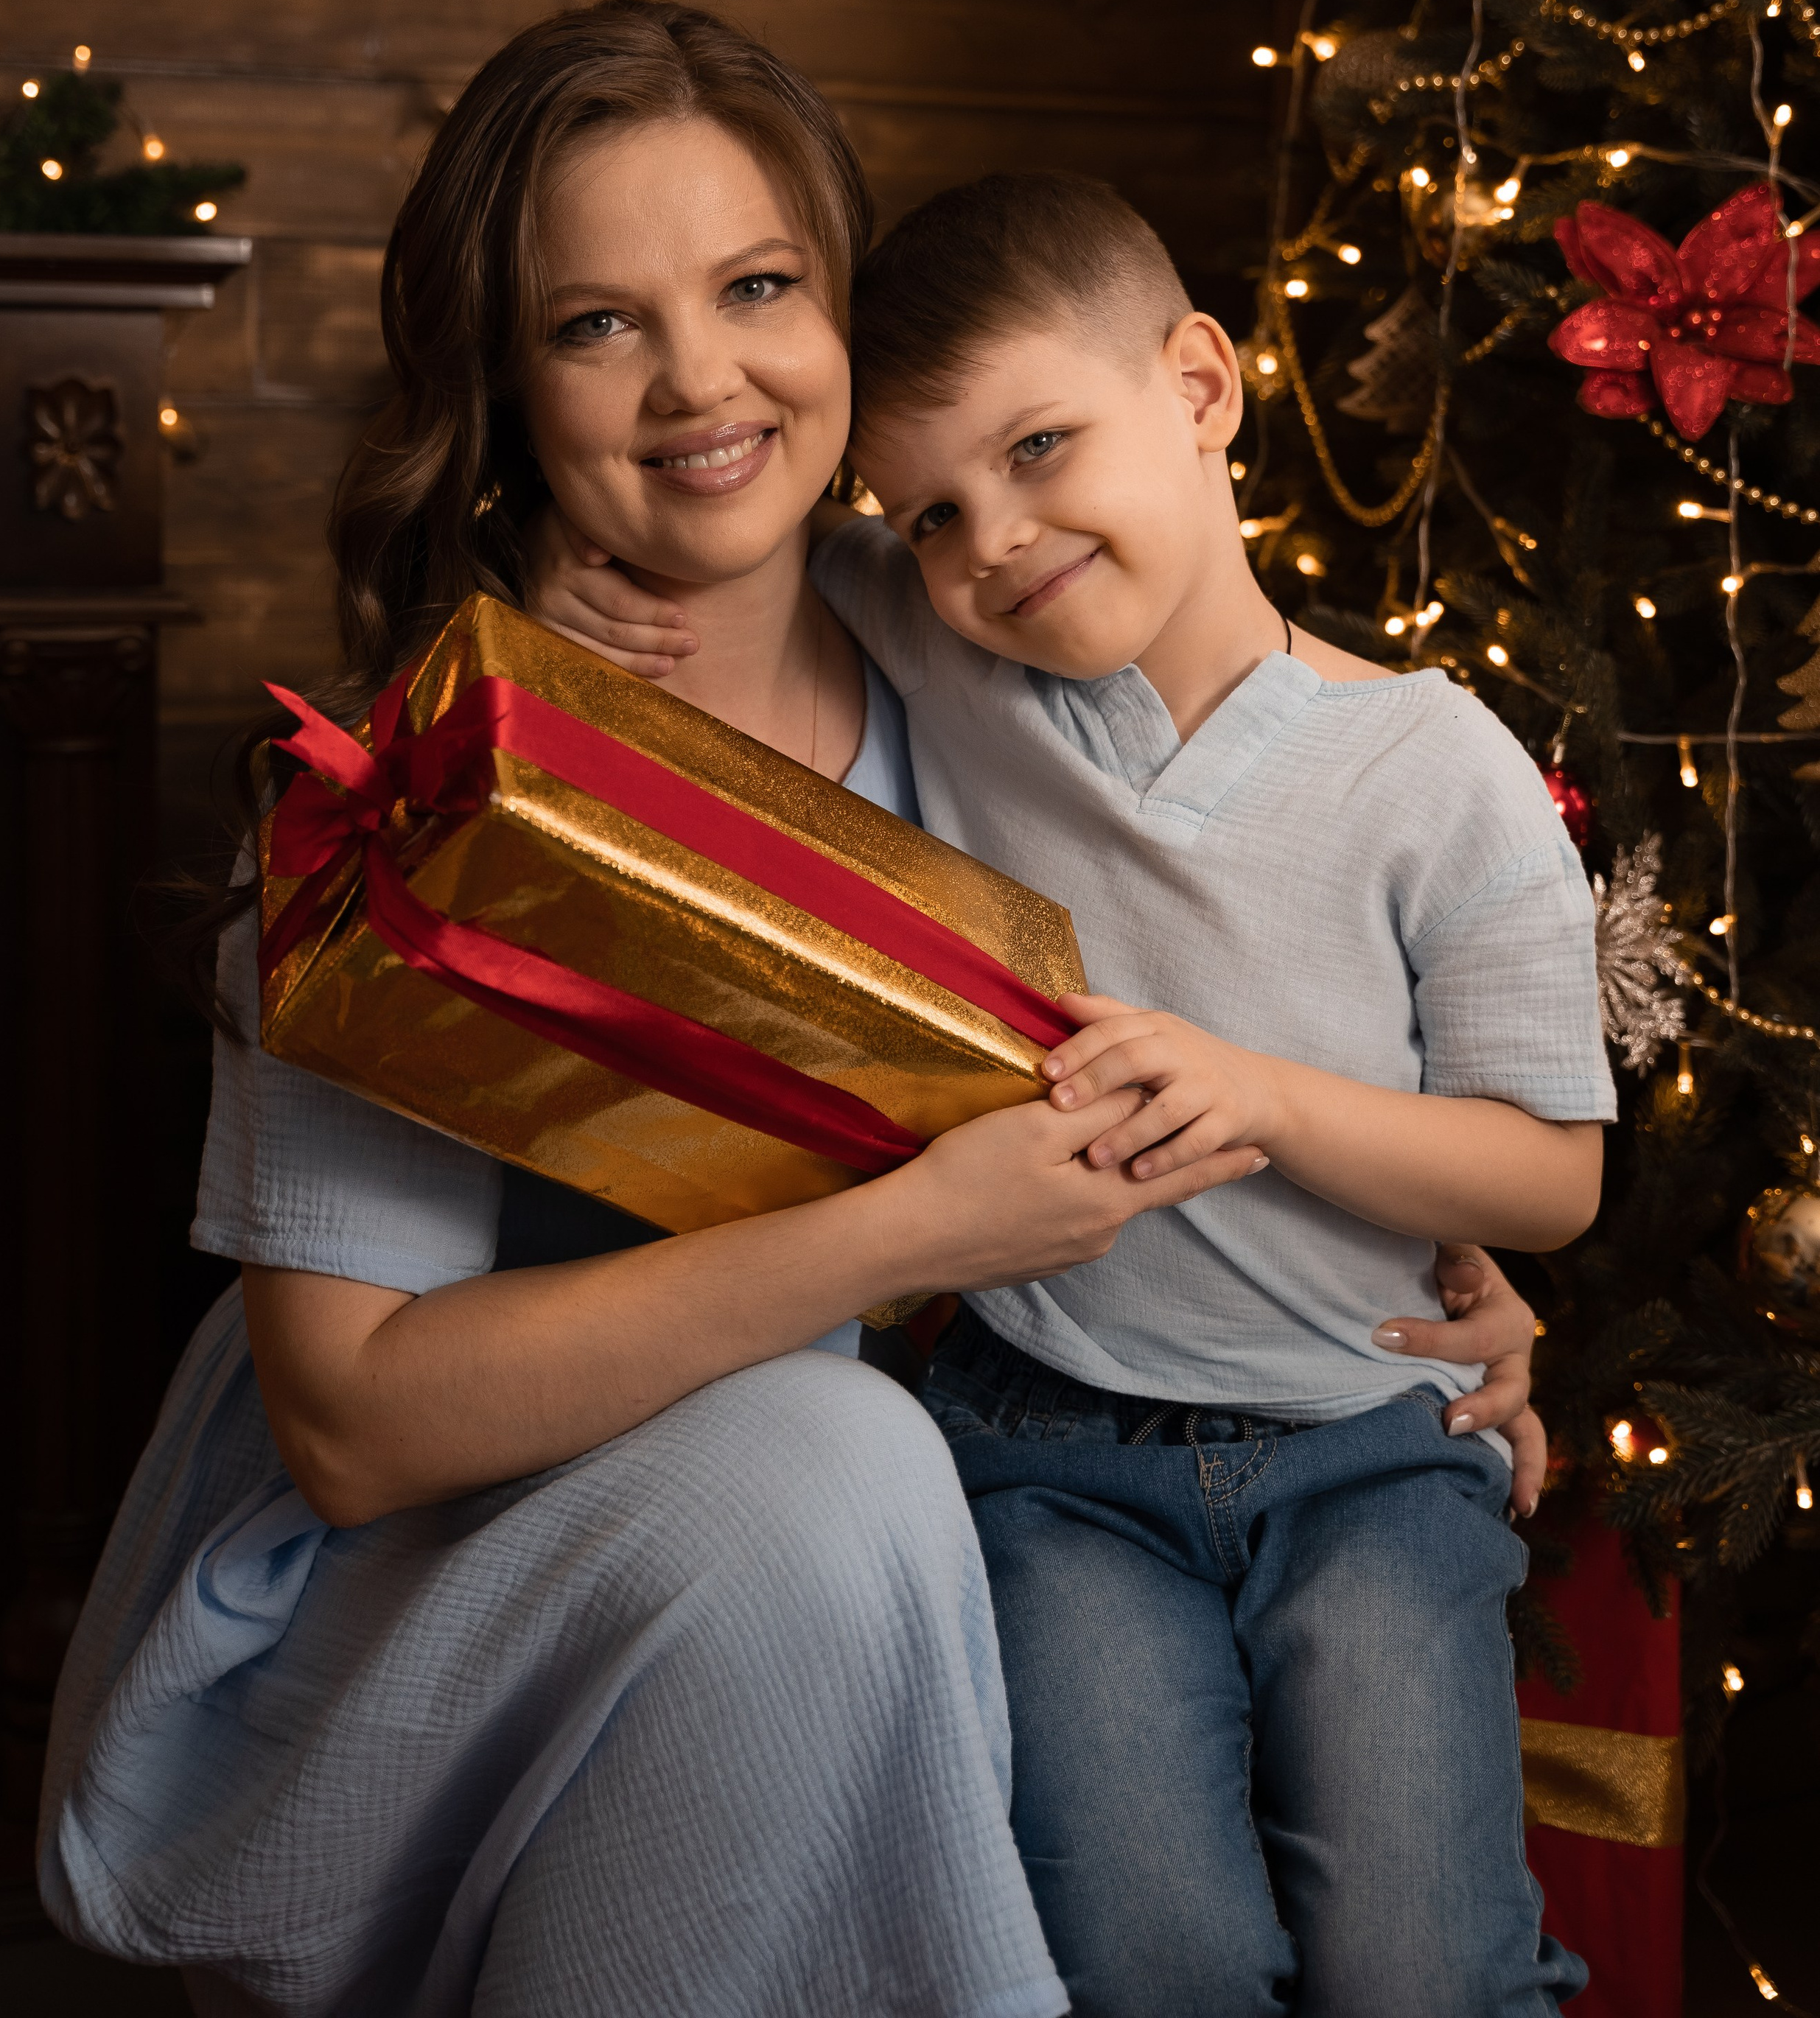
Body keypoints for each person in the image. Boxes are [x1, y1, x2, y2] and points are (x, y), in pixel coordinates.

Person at [43, 9, 1550, 2018]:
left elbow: (1278, 941)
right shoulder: (410, 809)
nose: (700, 383)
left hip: (858, 1561)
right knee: (832, 1460)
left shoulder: (981, 649)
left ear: (845, 325)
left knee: (857, 1486)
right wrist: (905, 1240)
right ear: (506, 382)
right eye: (597, 324)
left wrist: (1430, 1287)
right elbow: (350, 1427)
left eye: (758, 288)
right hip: (406, 1610)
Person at [529, 168, 1615, 2018]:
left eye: (1041, 447)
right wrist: (562, 566)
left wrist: (1259, 1095)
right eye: (934, 509)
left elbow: (1546, 1182)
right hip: (1044, 1457)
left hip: (1367, 1453)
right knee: (1143, 1957)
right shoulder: (948, 651)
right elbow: (727, 525)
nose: (999, 540)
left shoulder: (1436, 768)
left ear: (1198, 388)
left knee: (1422, 1963)